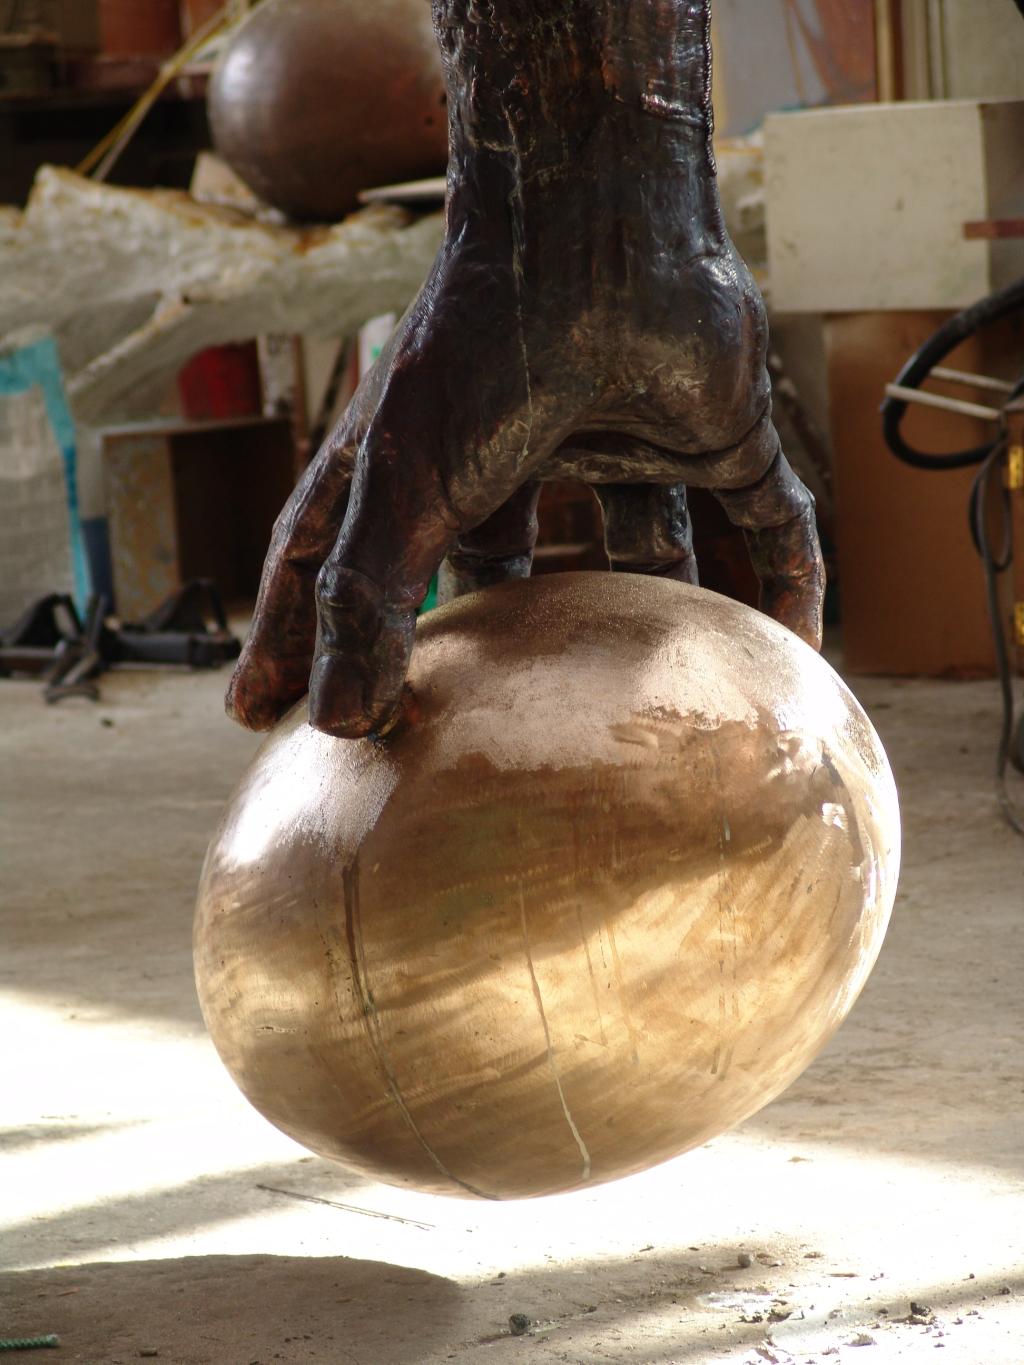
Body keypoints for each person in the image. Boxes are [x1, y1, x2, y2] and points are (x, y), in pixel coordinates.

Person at [227, 0, 824, 740]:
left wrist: (539, 284)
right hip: (683, 293)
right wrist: (662, 262)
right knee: (632, 573)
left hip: (542, 281)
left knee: (382, 598)